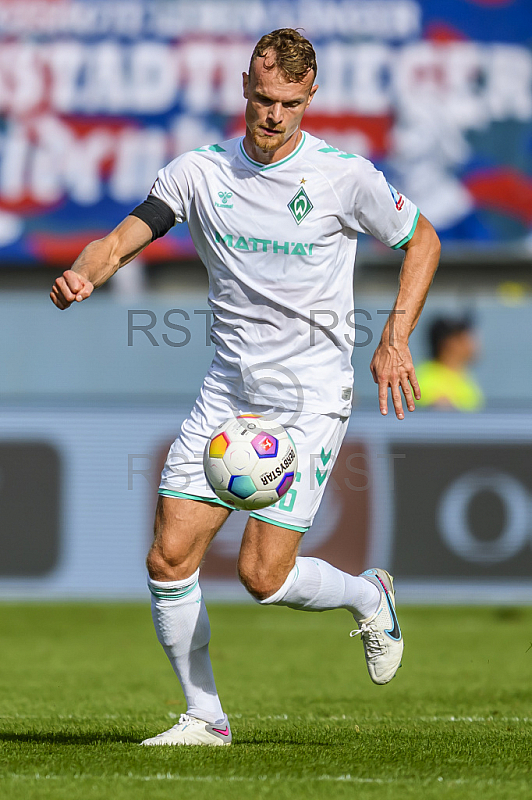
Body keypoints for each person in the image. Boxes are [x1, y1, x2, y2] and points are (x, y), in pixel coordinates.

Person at [50, 29, 441, 746]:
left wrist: (394, 338)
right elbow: (123, 236)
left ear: (310, 98)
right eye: (263, 98)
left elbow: (424, 239)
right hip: (228, 394)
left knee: (264, 578)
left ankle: (367, 595)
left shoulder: (342, 176)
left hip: (311, 399)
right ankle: (205, 717)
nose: (273, 115)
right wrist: (86, 273)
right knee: (168, 556)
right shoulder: (199, 173)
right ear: (243, 87)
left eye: (289, 103)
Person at [416, 315, 483, 411]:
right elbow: (438, 414)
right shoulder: (424, 375)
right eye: (463, 337)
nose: (472, 342)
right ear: (449, 343)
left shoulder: (464, 376)